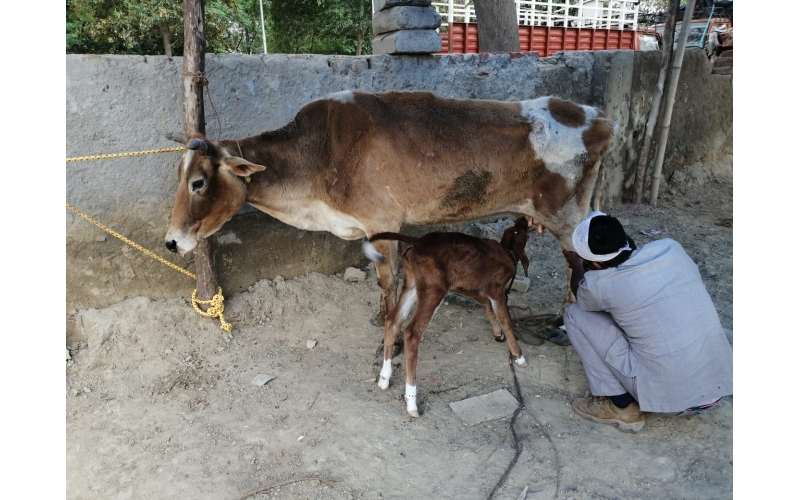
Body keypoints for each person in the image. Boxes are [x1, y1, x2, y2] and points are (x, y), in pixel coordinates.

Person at [561, 211, 733, 433]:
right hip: (717, 388)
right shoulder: (670, 248)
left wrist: (576, 266)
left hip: (673, 402)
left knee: (575, 315)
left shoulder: (599, 285)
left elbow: (582, 297)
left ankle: (621, 406)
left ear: (594, 265)